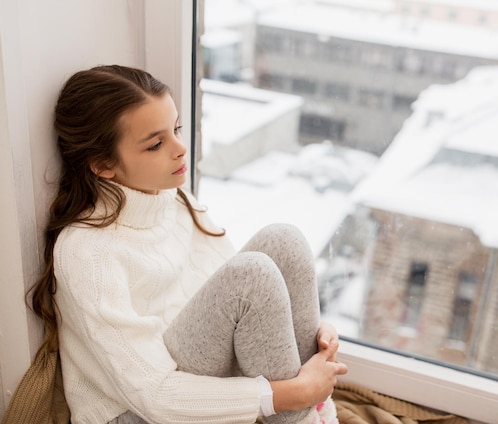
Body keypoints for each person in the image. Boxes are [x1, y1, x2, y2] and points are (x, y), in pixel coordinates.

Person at [29, 64, 348, 424]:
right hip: (142, 410)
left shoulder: (172, 196)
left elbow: (227, 291)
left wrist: (304, 332)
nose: (180, 149)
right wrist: (292, 392)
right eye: (156, 143)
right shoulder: (88, 252)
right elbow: (155, 396)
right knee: (250, 275)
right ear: (103, 165)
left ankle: (316, 415)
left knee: (283, 240)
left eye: (176, 129)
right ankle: (306, 413)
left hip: (190, 371)